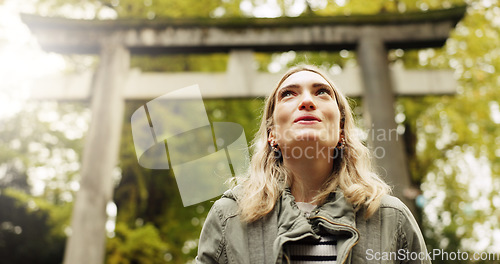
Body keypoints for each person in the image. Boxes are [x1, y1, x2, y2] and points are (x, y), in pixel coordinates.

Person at [196, 65, 430, 264]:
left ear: (341, 130)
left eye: (321, 92)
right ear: (272, 133)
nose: (307, 101)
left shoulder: (391, 218)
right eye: (288, 94)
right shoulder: (228, 217)